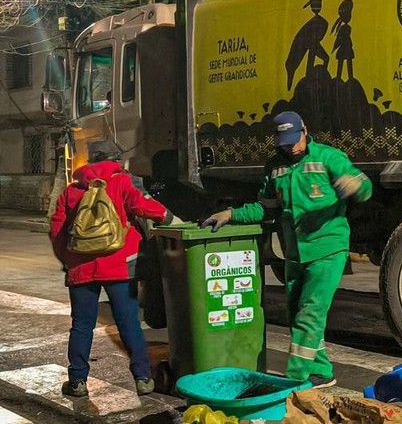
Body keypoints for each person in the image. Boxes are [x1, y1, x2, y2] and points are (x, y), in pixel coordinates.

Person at [203, 111, 372, 387]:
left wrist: (356, 186)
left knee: (310, 313)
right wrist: (231, 214)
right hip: (294, 252)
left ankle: (294, 380)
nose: (291, 146)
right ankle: (321, 371)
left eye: (295, 139)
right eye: (285, 142)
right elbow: (265, 208)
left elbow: (364, 188)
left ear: (305, 131)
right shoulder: (275, 167)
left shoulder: (329, 158)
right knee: (296, 314)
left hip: (327, 249)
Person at [49, 141, 174, 398]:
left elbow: (56, 230)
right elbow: (142, 206)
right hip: (120, 267)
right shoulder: (121, 182)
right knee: (128, 323)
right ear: (115, 160)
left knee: (82, 325)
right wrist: (168, 217)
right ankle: (142, 378)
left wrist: (68, 260)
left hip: (81, 268)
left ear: (90, 161)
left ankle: (77, 381)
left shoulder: (72, 191)